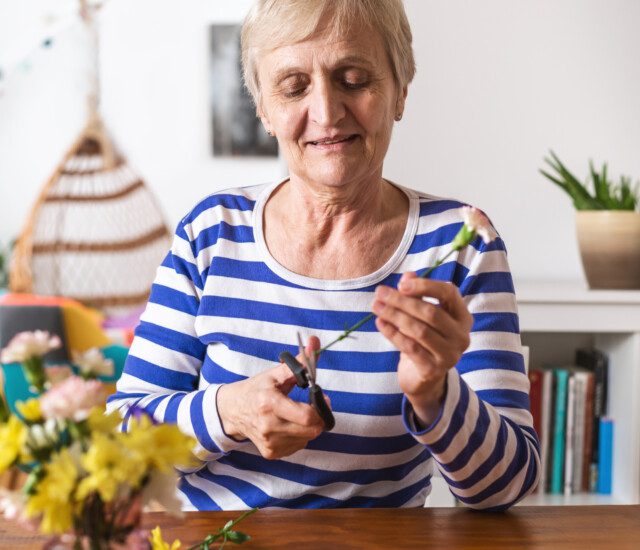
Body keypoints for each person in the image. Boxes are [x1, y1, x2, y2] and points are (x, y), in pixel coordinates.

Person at [107, 0, 539, 511]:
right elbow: (121, 445)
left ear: (400, 92)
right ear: (264, 109)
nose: (327, 113)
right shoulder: (211, 232)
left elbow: (508, 488)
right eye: (293, 87)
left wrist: (435, 395)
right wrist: (227, 413)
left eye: (354, 79)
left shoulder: (460, 245)